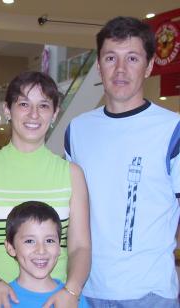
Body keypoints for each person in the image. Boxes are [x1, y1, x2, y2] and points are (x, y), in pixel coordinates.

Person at [65, 16, 180, 307]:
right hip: (86, 289)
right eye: (110, 58)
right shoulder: (77, 130)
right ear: (100, 65)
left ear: (150, 66)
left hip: (151, 294)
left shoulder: (172, 130)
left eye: (132, 58)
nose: (120, 69)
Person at [0, 71, 90, 308]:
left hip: (56, 301)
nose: (33, 114)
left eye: (43, 105)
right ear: (7, 110)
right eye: (24, 104)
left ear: (55, 113)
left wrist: (71, 290)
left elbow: (81, 246)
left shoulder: (72, 174)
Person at [5, 201, 89, 307]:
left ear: (59, 247)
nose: (41, 250)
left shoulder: (73, 299)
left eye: (49, 241)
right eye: (30, 241)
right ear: (11, 248)